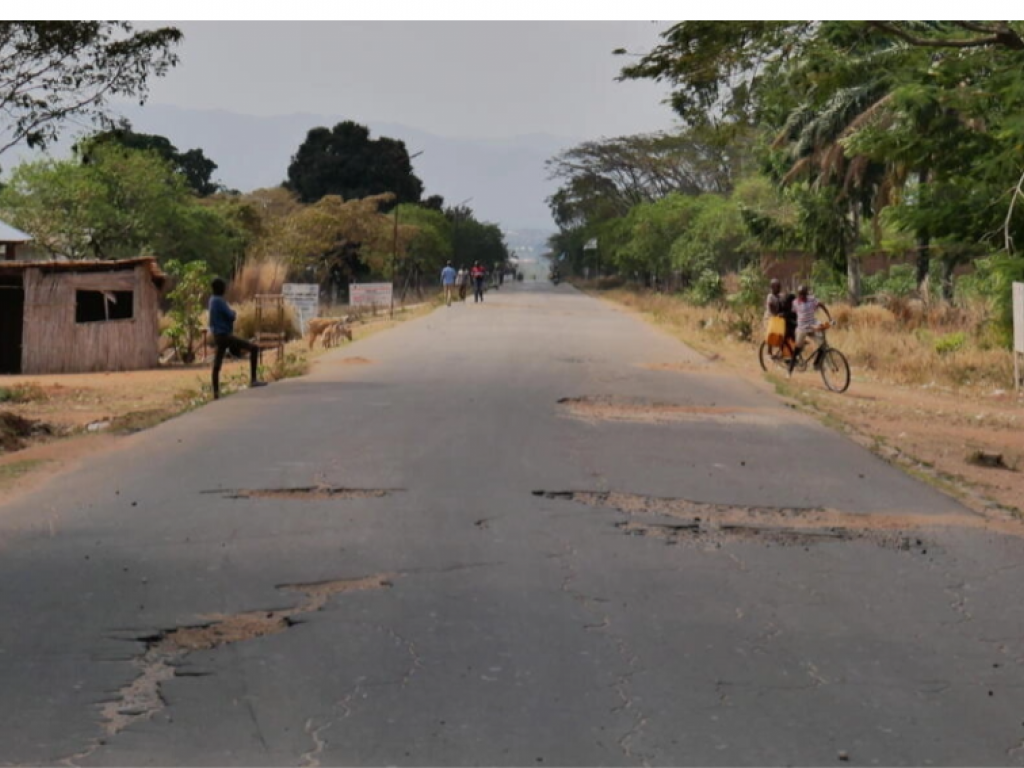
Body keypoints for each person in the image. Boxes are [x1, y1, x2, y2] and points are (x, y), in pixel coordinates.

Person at [209, 277, 266, 400]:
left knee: (217, 364)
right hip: (225, 335)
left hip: (217, 336)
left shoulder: (212, 300)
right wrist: (233, 313)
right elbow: (231, 315)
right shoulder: (219, 301)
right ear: (220, 288)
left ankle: (216, 392)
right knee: (254, 348)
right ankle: (253, 379)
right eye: (223, 287)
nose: (225, 289)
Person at [788, 284, 833, 376]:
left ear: (807, 293)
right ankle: (789, 371)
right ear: (798, 294)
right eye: (801, 294)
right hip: (802, 328)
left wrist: (830, 318)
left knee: (823, 345)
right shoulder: (795, 303)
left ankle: (816, 364)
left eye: (804, 294)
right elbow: (792, 314)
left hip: (813, 325)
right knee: (797, 349)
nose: (802, 296)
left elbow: (821, 305)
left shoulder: (811, 299)